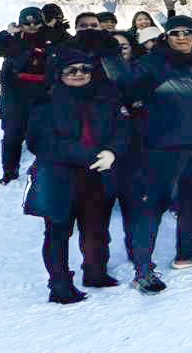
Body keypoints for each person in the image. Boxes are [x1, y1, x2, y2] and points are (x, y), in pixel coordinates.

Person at [110, 15, 192, 294]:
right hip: (161, 149)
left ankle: (186, 253)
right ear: (166, 35)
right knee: (152, 208)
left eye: (187, 32)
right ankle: (143, 269)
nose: (181, 37)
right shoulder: (152, 64)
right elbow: (122, 87)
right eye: (175, 32)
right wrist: (139, 116)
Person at [24, 49, 127, 303]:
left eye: (84, 69)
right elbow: (42, 143)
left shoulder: (106, 97)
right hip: (59, 176)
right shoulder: (45, 104)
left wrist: (113, 151)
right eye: (71, 70)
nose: (79, 74)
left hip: (98, 175)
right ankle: (59, 284)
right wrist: (93, 155)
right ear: (59, 74)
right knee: (58, 231)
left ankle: (95, 272)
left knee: (96, 227)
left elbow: (122, 128)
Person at [0, 6, 67, 185]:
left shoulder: (54, 36)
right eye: (27, 23)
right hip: (14, 96)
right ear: (20, 23)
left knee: (44, 136)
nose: (31, 26)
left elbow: (74, 46)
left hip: (44, 95)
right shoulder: (12, 37)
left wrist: (59, 27)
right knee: (11, 137)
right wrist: (6, 34)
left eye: (36, 22)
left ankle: (43, 173)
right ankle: (9, 173)